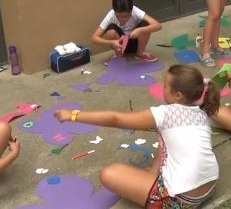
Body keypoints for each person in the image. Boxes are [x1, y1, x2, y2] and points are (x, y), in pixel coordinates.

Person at [54, 64, 220, 208]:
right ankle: (153, 180)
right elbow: (166, 148)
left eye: (165, 85)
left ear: (178, 95)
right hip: (209, 187)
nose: (162, 88)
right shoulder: (201, 113)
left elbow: (116, 119)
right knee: (163, 147)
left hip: (179, 201)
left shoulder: (165, 113)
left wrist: (73, 115)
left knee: (109, 174)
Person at [92, 0, 161, 65]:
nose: (124, 19)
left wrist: (140, 30)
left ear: (131, 10)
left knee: (145, 25)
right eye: (120, 16)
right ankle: (119, 56)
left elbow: (158, 25)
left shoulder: (135, 11)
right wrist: (112, 42)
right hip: (120, 45)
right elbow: (94, 38)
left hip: (136, 43)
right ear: (114, 11)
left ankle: (140, 53)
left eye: (127, 16)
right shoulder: (111, 15)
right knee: (110, 31)